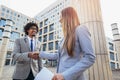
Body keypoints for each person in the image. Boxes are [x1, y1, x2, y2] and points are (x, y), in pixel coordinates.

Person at [39, 7, 96, 80]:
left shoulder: (80, 29)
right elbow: (58, 55)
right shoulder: (65, 38)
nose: (59, 21)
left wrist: (65, 75)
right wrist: (40, 54)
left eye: (61, 17)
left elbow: (90, 58)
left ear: (67, 17)